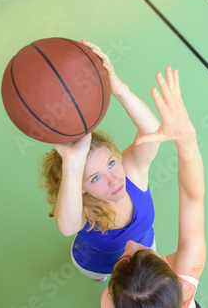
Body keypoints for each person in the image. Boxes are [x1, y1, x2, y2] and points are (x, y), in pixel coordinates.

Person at [41, 40, 161, 281]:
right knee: (105, 282)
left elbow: (152, 132)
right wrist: (73, 164)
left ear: (117, 155)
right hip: (98, 264)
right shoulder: (82, 209)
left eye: (111, 163)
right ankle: (100, 277)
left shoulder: (132, 174)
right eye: (95, 178)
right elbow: (67, 228)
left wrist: (119, 89)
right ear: (80, 187)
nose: (114, 179)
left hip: (146, 249)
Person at [100, 66, 206, 308]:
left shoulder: (107, 302)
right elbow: (192, 196)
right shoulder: (187, 274)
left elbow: (193, 198)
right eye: (145, 253)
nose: (131, 243)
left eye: (122, 260)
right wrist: (186, 139)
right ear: (175, 283)